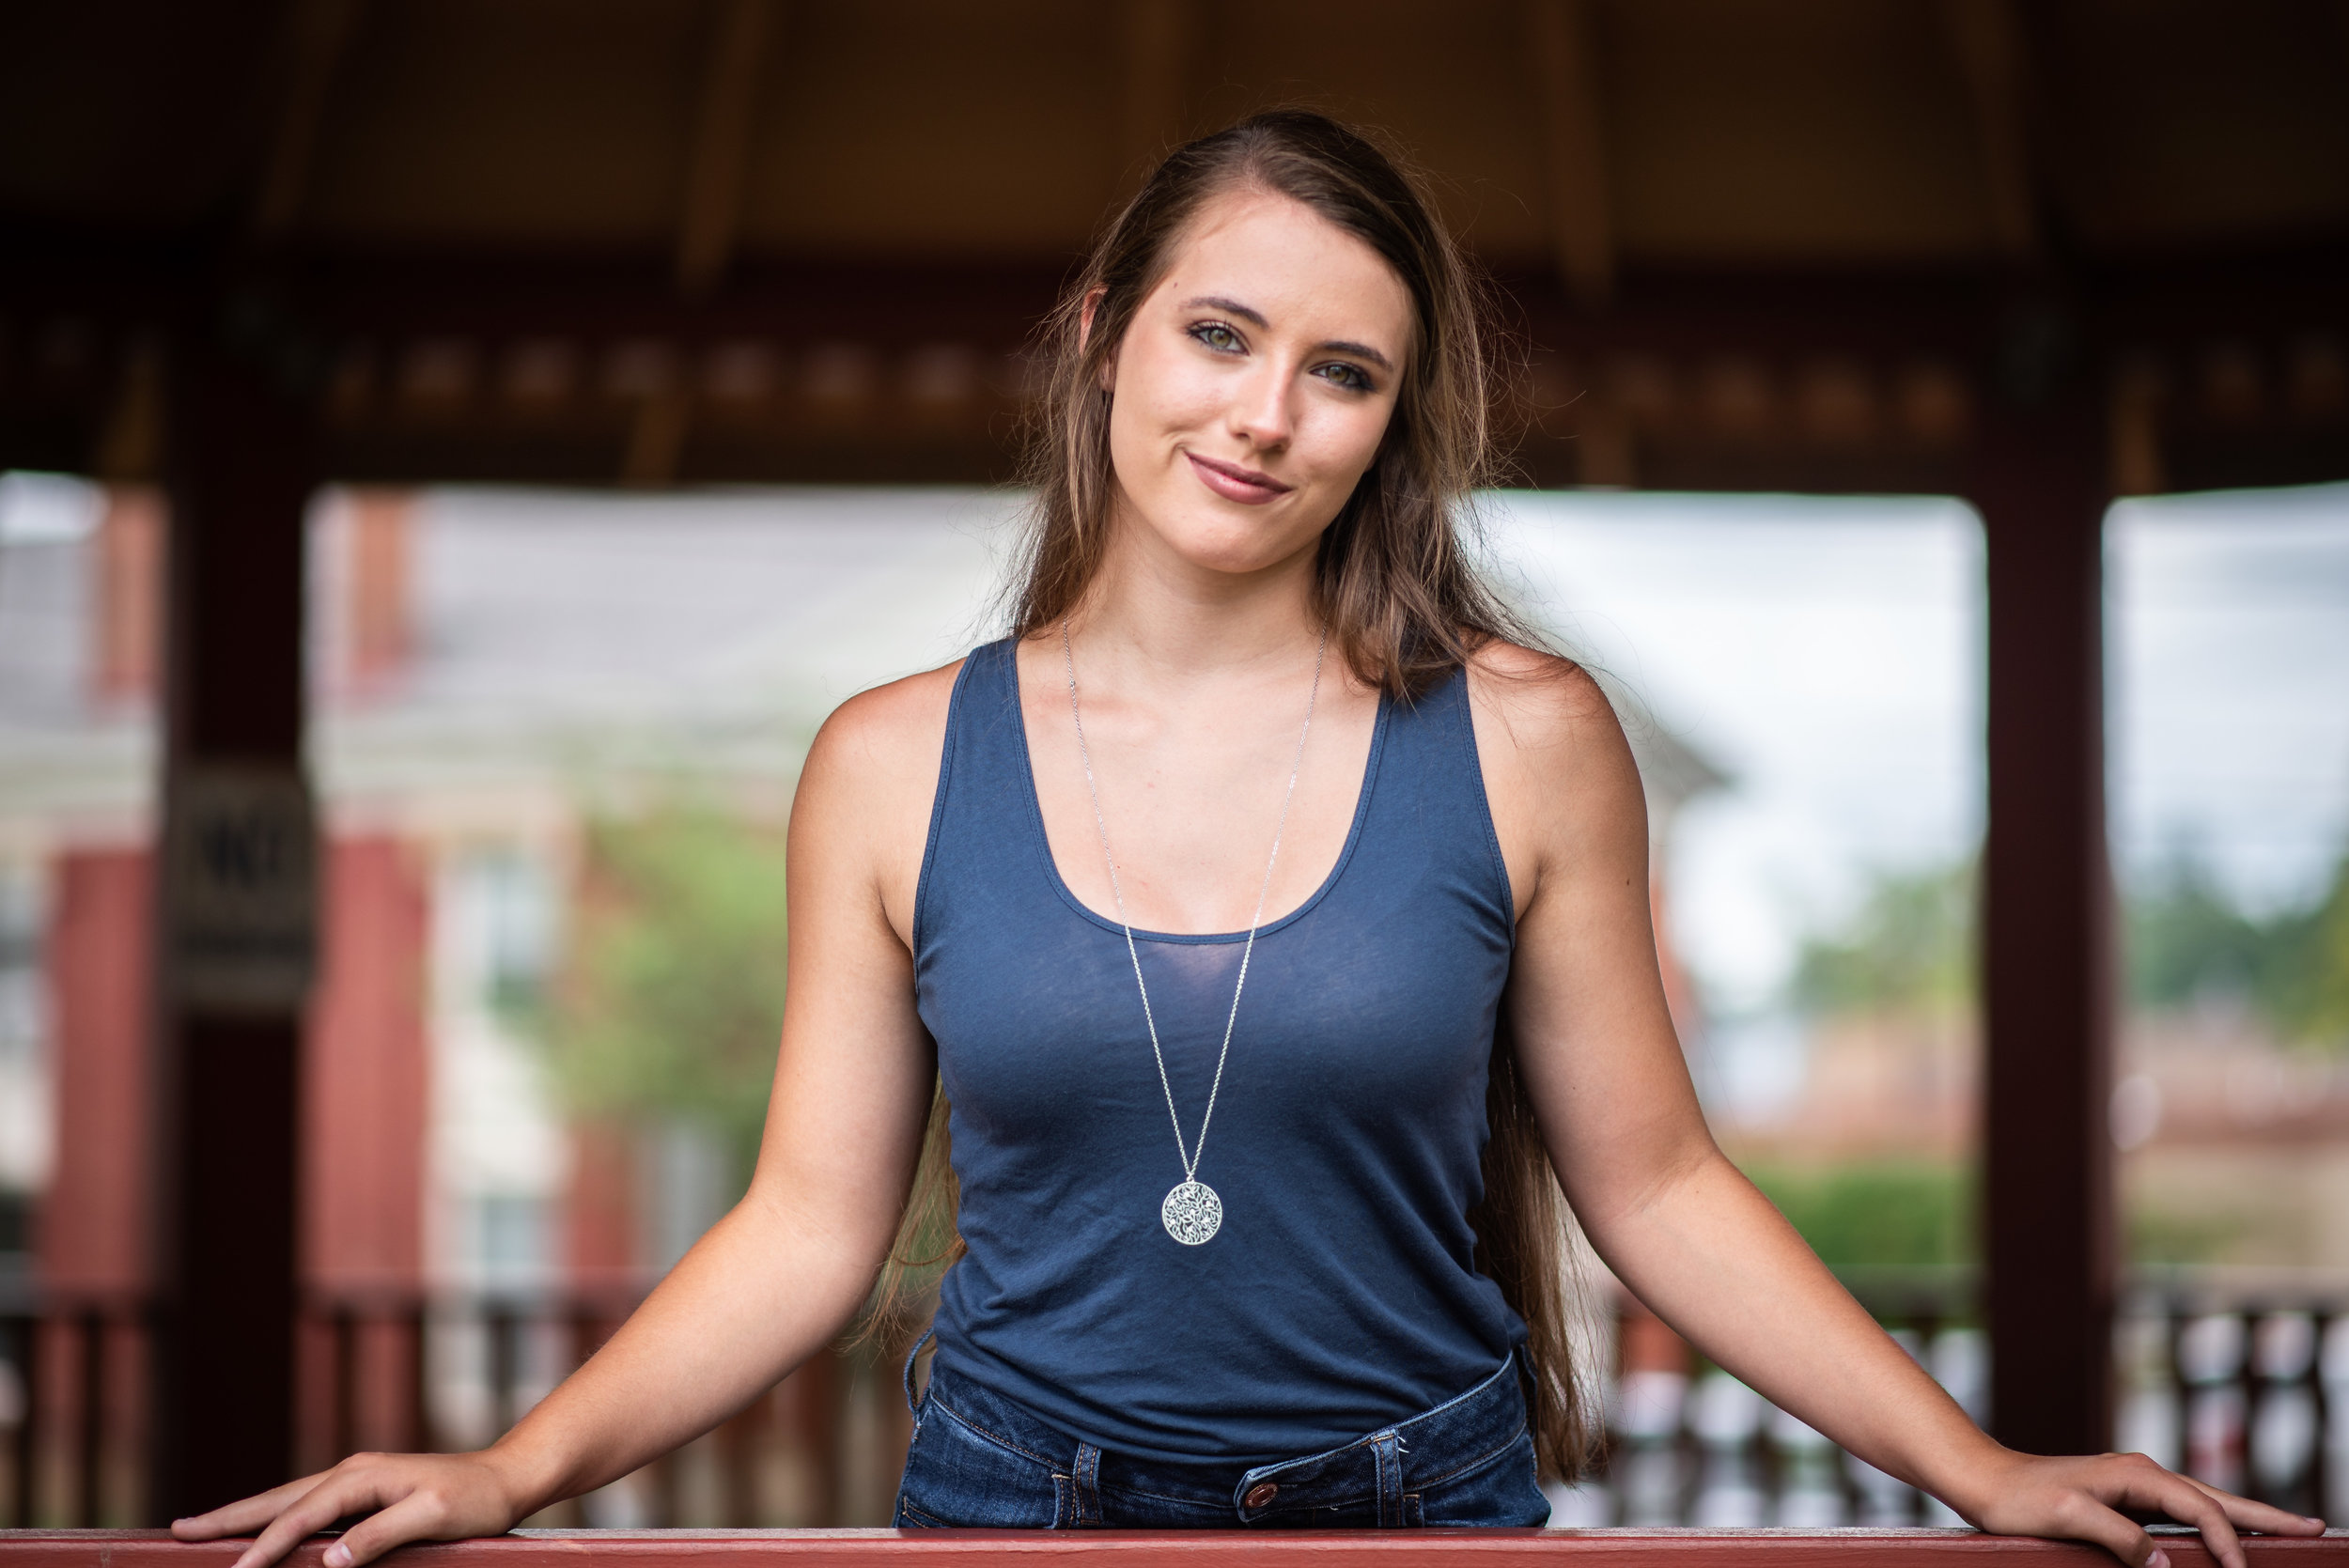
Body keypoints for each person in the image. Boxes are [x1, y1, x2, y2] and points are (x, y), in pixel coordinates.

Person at [180, 110, 2316, 1557]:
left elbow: (1653, 1184)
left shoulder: (1524, 735)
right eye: (1216, 334)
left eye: (1341, 371)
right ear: (1103, 339)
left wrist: (1968, 1462)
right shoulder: (895, 758)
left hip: (1426, 1506)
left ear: (1393, 423)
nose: (1262, 414)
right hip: (1019, 1506)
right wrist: (508, 1469)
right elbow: (804, 1232)